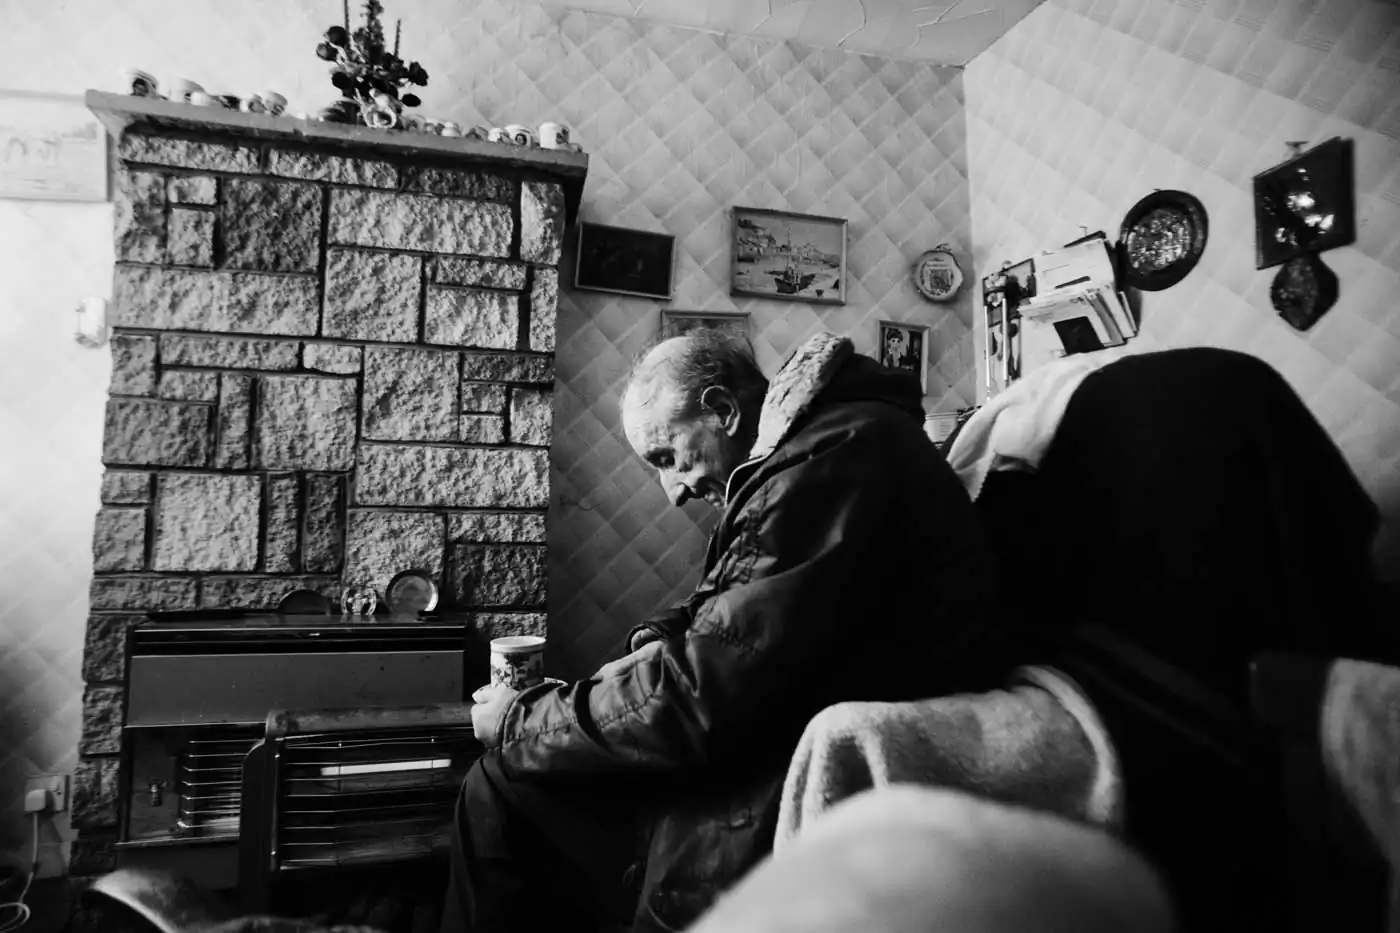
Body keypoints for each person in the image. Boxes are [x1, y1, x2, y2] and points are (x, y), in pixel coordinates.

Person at [442, 329, 1006, 933]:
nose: (674, 493)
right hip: (773, 731)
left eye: (666, 458)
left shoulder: (826, 461)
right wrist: (649, 645)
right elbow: (731, 612)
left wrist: (518, 718)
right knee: (510, 785)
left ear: (723, 411)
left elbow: (702, 696)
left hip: (773, 761)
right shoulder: (819, 450)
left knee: (500, 782)